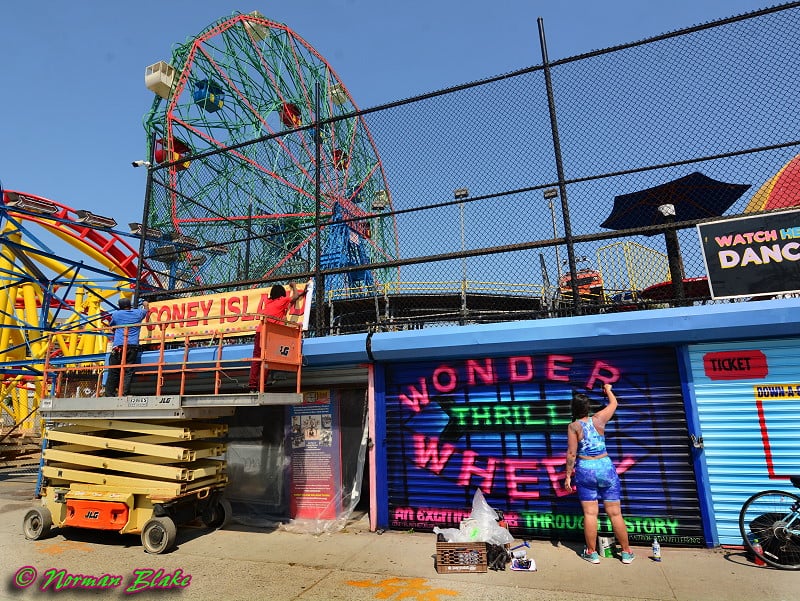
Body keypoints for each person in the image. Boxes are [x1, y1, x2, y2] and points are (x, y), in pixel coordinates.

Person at [564, 383, 635, 564]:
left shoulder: (573, 427)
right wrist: (608, 390)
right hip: (605, 468)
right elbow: (614, 404)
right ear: (587, 408)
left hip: (586, 470)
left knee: (590, 514)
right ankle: (626, 552)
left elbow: (571, 454)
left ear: (573, 409)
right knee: (615, 514)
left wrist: (567, 476)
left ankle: (592, 552)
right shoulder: (599, 419)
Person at [248, 282, 305, 392]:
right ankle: (261, 385)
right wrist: (293, 286)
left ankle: (252, 385)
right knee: (267, 359)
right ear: (281, 294)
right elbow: (295, 298)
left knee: (256, 359)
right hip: (270, 334)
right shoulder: (282, 300)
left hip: (259, 332)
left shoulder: (268, 302)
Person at [104, 297, 149, 396]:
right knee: (128, 371)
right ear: (130, 305)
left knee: (114, 370)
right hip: (132, 346)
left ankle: (109, 393)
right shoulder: (138, 313)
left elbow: (112, 327)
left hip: (118, 346)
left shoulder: (116, 314)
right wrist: (145, 303)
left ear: (120, 306)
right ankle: (124, 393)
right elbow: (146, 309)